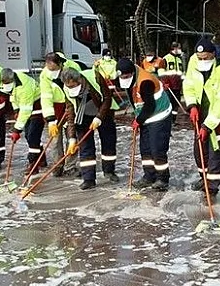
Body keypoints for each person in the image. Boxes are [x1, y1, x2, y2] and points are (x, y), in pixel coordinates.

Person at [183, 38, 220, 197]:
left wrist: (208, 126)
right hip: (201, 110)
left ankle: (212, 188)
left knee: (215, 149)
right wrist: (192, 105)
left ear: (213, 54)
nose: (202, 61)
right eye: (200, 58)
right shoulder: (193, 60)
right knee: (198, 150)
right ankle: (204, 179)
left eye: (205, 58)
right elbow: (189, 84)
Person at [116, 58, 172, 191]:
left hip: (159, 114)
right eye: (122, 77)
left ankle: (162, 179)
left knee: (157, 149)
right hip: (146, 116)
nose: (125, 79)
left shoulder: (145, 81)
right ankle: (149, 176)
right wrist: (139, 117)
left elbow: (150, 106)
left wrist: (138, 120)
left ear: (132, 73)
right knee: (145, 149)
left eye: (127, 76)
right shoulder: (128, 77)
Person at [60, 68, 120, 190]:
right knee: (85, 147)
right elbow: (70, 112)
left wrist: (99, 117)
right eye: (69, 86)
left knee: (108, 142)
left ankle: (109, 171)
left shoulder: (94, 77)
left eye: (73, 86)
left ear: (80, 80)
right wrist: (71, 138)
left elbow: (107, 98)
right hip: (82, 117)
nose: (71, 88)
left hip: (103, 112)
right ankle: (88, 179)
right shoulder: (66, 89)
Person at [40, 52, 81, 178]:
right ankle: (57, 165)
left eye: (54, 68)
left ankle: (70, 166)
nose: (51, 71)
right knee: (55, 138)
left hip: (72, 104)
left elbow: (78, 88)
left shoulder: (72, 67)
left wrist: (73, 107)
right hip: (56, 107)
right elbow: (46, 97)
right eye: (49, 68)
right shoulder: (45, 75)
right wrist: (51, 119)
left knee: (72, 135)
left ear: (60, 64)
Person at [2, 68, 43, 174]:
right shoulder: (10, 84)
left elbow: (26, 111)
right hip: (25, 106)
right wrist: (16, 110)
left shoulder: (25, 85)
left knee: (32, 135)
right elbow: (13, 97)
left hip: (37, 106)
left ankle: (33, 165)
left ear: (13, 80)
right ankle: (41, 158)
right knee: (29, 135)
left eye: (8, 83)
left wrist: (17, 130)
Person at [159, 42, 186, 123]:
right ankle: (166, 121)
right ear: (175, 48)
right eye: (179, 48)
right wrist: (165, 82)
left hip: (177, 86)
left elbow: (181, 72)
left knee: (175, 105)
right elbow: (161, 72)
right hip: (168, 87)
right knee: (168, 104)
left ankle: (173, 120)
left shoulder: (179, 60)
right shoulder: (165, 59)